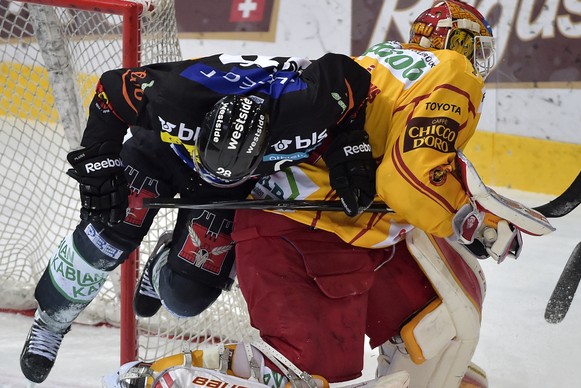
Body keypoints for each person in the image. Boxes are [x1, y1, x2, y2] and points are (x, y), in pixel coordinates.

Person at [19, 52, 376, 384]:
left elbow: (353, 79)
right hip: (161, 151)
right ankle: (50, 321)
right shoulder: (175, 97)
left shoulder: (306, 110)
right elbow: (114, 87)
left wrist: (350, 142)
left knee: (185, 298)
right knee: (107, 235)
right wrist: (101, 160)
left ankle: (162, 263)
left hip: (230, 189)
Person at [228, 1, 521, 388]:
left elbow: (421, 164)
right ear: (458, 42)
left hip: (340, 229)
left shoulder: (380, 57)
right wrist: (473, 224)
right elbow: (408, 179)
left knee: (435, 326)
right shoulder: (454, 70)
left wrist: (470, 208)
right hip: (304, 232)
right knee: (311, 378)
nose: (476, 58)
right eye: (473, 44)